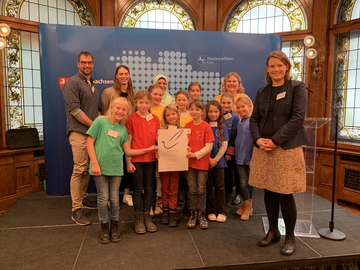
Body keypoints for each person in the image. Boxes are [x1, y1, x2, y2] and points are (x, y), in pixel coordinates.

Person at [249, 50, 308, 256]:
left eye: (279, 65)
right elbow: (254, 118)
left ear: (287, 67)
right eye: (272, 66)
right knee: (268, 190)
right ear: (267, 69)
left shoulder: (297, 87)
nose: (275, 69)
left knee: (284, 192)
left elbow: (297, 118)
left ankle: (290, 236)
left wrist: (275, 141)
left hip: (285, 148)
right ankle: (273, 231)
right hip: (263, 147)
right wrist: (257, 139)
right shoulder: (262, 91)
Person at [86, 97, 157, 244]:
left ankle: (115, 225)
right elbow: (89, 142)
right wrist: (95, 163)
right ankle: (104, 227)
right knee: (103, 197)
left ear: (126, 113)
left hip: (116, 168)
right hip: (99, 167)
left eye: (124, 110)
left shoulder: (123, 130)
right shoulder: (100, 122)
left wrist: (149, 149)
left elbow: (128, 151)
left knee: (114, 198)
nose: (120, 111)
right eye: (118, 108)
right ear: (111, 108)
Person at [62, 51, 99, 226]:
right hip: (78, 132)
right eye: (83, 62)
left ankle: (83, 198)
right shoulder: (72, 83)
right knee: (79, 169)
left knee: (86, 168)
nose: (87, 65)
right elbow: (75, 111)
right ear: (78, 64)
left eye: (90, 63)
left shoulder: (93, 85)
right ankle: (76, 209)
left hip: (90, 133)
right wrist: (95, 125)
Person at [101, 65, 136, 207]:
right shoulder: (108, 92)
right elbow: (104, 113)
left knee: (128, 162)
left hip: (127, 133)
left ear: (129, 75)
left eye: (126, 73)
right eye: (120, 74)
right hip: (112, 133)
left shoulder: (133, 93)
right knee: (112, 162)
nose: (123, 76)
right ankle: (109, 197)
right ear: (116, 76)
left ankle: (126, 195)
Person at [126, 90, 160, 234]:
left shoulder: (156, 119)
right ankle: (138, 218)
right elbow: (127, 141)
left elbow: (158, 139)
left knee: (149, 188)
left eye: (146, 102)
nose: (144, 105)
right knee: (138, 189)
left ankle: (147, 217)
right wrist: (128, 161)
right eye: (141, 102)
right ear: (135, 103)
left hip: (151, 159)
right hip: (137, 159)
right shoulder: (131, 119)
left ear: (150, 103)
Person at [185, 100, 214, 229]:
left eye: (197, 109)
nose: (194, 112)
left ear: (202, 112)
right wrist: (187, 149)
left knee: (201, 189)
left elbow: (209, 146)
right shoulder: (187, 125)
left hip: (201, 164)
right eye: (192, 109)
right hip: (189, 164)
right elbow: (185, 143)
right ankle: (193, 214)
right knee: (192, 189)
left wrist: (196, 154)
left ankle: (201, 214)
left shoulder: (206, 126)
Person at [157, 105, 182, 227]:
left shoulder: (182, 130)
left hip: (176, 165)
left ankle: (173, 212)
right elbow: (157, 147)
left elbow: (186, 146)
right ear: (165, 117)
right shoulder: (161, 131)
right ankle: (165, 211)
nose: (171, 117)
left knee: (173, 188)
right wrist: (157, 153)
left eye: (173, 114)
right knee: (164, 188)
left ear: (177, 115)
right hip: (164, 164)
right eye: (168, 115)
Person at [205, 100, 229, 223]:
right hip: (206, 161)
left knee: (220, 187)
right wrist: (208, 159)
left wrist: (215, 160)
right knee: (208, 186)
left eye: (216, 111)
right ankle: (210, 210)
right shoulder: (204, 125)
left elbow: (224, 146)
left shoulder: (222, 126)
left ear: (220, 112)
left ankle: (221, 211)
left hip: (218, 162)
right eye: (210, 111)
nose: (213, 114)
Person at [234, 95, 255, 221]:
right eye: (238, 107)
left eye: (243, 107)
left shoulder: (253, 122)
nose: (241, 109)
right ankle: (246, 204)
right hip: (239, 157)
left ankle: (248, 206)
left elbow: (255, 142)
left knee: (249, 182)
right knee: (242, 182)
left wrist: (254, 158)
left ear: (250, 106)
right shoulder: (240, 121)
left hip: (250, 157)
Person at [220, 93, 241, 206]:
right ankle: (220, 196)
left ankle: (227, 197)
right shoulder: (218, 115)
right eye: (223, 103)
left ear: (233, 104)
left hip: (229, 152)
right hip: (218, 151)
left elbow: (234, 135)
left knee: (228, 175)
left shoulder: (235, 118)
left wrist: (230, 152)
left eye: (228, 103)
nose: (226, 105)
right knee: (220, 176)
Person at [148, 84, 165, 216]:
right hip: (146, 147)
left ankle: (159, 202)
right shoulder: (144, 109)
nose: (158, 97)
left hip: (160, 148)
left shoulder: (164, 110)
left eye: (160, 94)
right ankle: (148, 203)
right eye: (155, 94)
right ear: (149, 94)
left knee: (158, 176)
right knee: (148, 178)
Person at [175, 90, 192, 213]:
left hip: (189, 149)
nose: (181, 102)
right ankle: (181, 200)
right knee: (179, 178)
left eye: (184, 100)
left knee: (188, 177)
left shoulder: (192, 113)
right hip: (176, 151)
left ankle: (190, 201)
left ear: (188, 101)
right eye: (179, 100)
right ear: (175, 101)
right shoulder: (172, 113)